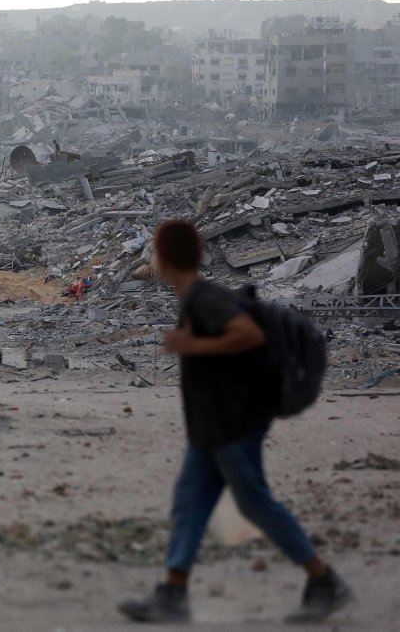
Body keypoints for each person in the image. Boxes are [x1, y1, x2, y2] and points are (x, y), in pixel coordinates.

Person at [118, 220, 353, 625]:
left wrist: (193, 345)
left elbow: (248, 335)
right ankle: (172, 592)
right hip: (209, 427)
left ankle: (325, 579)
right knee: (190, 505)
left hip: (233, 424)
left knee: (255, 503)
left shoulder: (204, 297)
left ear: (169, 258)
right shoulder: (192, 297)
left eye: (156, 252)